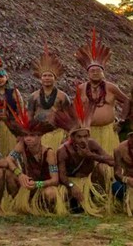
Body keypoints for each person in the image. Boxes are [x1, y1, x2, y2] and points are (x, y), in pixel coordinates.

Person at [0, 108, 66, 215]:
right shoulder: (22, 145)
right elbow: (9, 159)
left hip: (42, 186)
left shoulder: (48, 153)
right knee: (9, 174)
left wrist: (37, 184)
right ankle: (18, 203)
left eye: (32, 135)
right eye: (26, 135)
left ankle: (41, 206)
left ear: (40, 137)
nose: (28, 139)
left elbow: (55, 180)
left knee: (50, 193)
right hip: (28, 185)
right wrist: (19, 174)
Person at [75, 30, 129, 168]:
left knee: (109, 163)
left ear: (103, 73)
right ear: (87, 73)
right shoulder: (81, 88)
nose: (95, 73)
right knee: (90, 165)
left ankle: (112, 186)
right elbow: (76, 108)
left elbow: (128, 101)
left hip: (107, 132)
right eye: (92, 71)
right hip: (88, 132)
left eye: (98, 70)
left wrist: (122, 121)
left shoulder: (111, 87)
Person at [54, 92, 114, 216]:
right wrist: (71, 186)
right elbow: (62, 176)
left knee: (103, 168)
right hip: (71, 182)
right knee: (66, 194)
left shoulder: (92, 144)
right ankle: (73, 202)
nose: (83, 140)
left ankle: (99, 196)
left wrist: (91, 155)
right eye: (79, 137)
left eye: (86, 136)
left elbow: (112, 161)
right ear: (72, 137)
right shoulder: (63, 151)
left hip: (88, 180)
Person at [27, 45, 70, 151]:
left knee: (55, 159)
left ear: (55, 78)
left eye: (50, 76)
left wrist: (67, 135)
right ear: (40, 78)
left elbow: (69, 117)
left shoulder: (62, 96)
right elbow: (29, 116)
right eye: (44, 76)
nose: (47, 78)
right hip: (38, 133)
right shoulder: (33, 96)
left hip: (57, 133)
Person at [0, 51, 24, 158]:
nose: (0, 79)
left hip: (11, 127)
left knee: (11, 153)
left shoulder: (14, 92)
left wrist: (20, 130)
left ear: (6, 77)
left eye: (2, 76)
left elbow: (21, 111)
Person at [113, 131, 133, 215]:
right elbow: (117, 173)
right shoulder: (120, 149)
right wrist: (126, 179)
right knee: (115, 187)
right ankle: (127, 202)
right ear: (129, 137)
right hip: (128, 183)